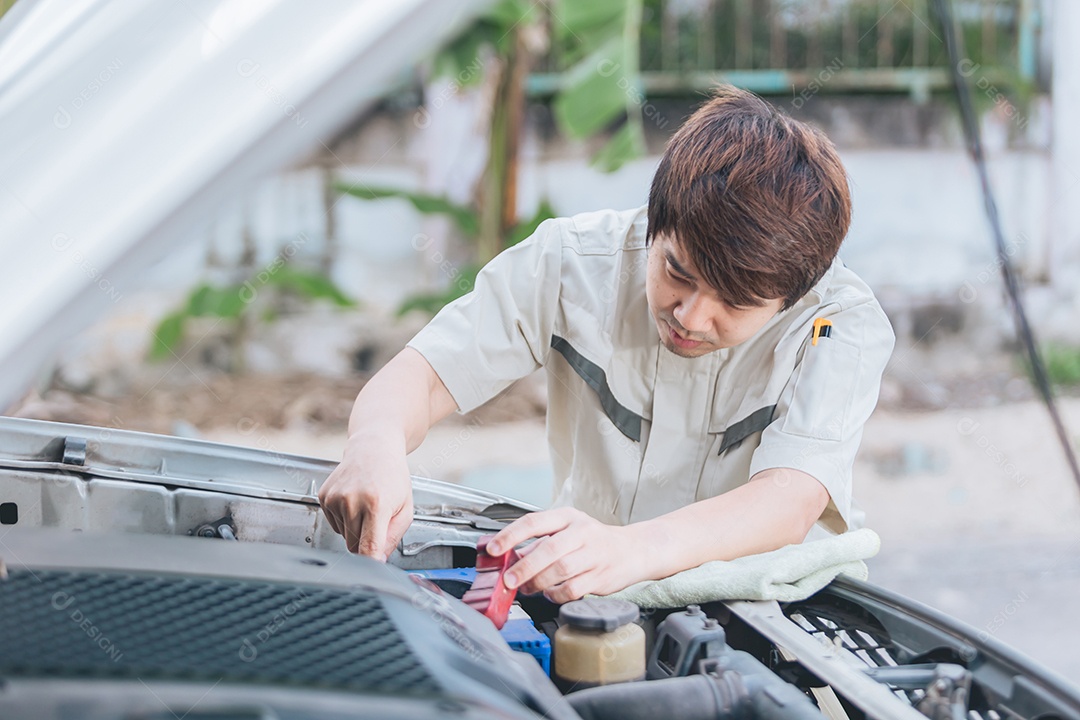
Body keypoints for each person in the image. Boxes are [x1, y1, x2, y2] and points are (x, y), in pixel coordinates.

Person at [318, 85, 894, 603]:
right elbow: (424, 374)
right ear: (655, 222)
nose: (690, 316)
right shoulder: (570, 263)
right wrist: (374, 443)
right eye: (677, 272)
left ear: (793, 297)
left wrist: (630, 551)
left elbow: (789, 499)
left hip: (769, 610)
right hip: (585, 591)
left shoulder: (839, 324)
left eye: (735, 304)